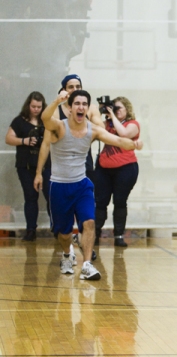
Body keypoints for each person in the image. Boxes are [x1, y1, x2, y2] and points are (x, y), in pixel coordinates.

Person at [34, 90, 143, 280]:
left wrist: (134, 144)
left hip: (82, 185)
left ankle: (86, 265)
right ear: (70, 108)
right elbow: (45, 118)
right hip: (59, 186)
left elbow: (118, 140)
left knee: (89, 223)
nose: (81, 107)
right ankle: (68, 255)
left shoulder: (93, 130)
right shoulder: (59, 127)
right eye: (77, 103)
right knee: (64, 233)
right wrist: (56, 100)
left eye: (84, 104)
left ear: (87, 108)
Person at [36, 74, 103, 257]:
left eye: (77, 86)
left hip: (83, 166)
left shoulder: (87, 109)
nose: (74, 89)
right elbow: (45, 144)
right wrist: (38, 172)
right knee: (62, 220)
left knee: (87, 215)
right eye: (70, 86)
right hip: (59, 169)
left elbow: (100, 128)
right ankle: (67, 244)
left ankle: (86, 248)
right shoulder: (56, 113)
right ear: (64, 90)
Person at [94, 96, 140, 247]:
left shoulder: (132, 124)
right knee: (100, 202)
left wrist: (112, 115)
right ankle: (95, 234)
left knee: (119, 202)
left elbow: (124, 134)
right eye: (114, 108)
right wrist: (100, 111)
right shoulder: (106, 123)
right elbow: (94, 129)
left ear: (127, 109)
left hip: (125, 168)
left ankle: (119, 235)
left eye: (118, 108)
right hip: (104, 168)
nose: (115, 111)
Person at [4, 92, 51, 241]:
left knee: (51, 197)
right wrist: (24, 141)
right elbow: (8, 139)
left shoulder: (48, 121)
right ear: (28, 105)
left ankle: (57, 228)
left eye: (39, 106)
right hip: (25, 165)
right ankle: (31, 230)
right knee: (30, 197)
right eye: (33, 106)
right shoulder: (19, 121)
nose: (36, 109)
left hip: (46, 165)